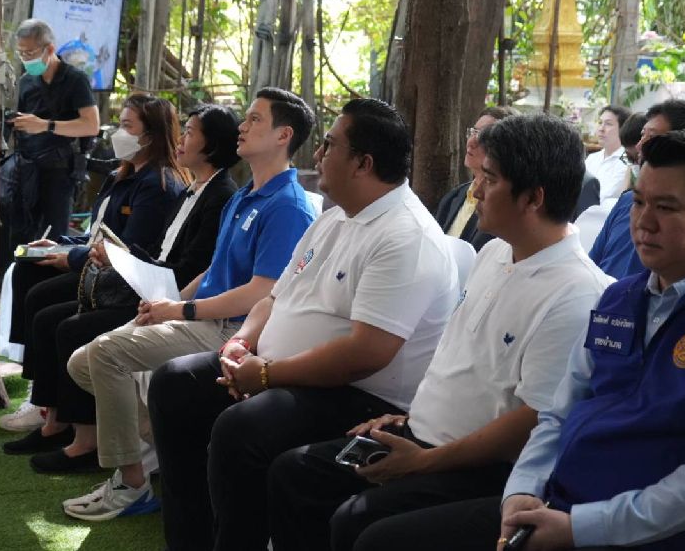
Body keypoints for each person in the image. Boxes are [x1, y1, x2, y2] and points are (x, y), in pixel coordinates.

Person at [345, 132, 685, 551]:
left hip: (641, 536)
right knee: (370, 530)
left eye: (667, 207)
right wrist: (521, 492)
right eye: (639, 202)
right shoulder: (622, 299)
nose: (643, 222)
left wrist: (580, 527)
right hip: (554, 507)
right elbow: (559, 415)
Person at [267, 114, 613, 551]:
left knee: (364, 527)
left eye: (489, 178)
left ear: (533, 198)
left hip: (485, 470)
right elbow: (457, 363)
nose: (475, 190)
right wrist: (408, 420)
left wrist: (422, 462)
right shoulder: (493, 253)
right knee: (296, 473)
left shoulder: (577, 294)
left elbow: (533, 423)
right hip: (422, 435)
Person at [146, 98, 459, 551]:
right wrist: (241, 343)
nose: (317, 155)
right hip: (277, 367)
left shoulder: (405, 236)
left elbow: (365, 354)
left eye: (330, 145)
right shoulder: (333, 218)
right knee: (175, 383)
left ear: (363, 164)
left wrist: (267, 375)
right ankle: (189, 538)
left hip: (358, 395)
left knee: (242, 429)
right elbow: (274, 296)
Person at [60, 87, 316, 518]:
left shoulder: (288, 206)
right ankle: (170, 446)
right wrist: (169, 301)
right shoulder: (243, 196)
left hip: (233, 329)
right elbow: (212, 270)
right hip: (202, 317)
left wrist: (180, 310)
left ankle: (131, 483)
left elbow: (261, 292)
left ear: (283, 135)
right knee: (81, 362)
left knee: (104, 354)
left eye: (255, 119)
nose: (243, 126)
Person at [1, 104, 241, 474]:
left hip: (167, 297)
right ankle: (56, 417)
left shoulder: (216, 194)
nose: (182, 139)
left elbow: (189, 271)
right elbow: (162, 253)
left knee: (67, 324)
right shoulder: (189, 189)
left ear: (211, 145)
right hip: (150, 287)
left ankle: (91, 443)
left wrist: (126, 262)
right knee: (40, 294)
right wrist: (120, 256)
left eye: (191, 132)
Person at [0, 94, 187, 431]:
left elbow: (129, 249)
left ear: (152, 135)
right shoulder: (121, 175)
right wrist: (60, 244)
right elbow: (97, 233)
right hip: (96, 265)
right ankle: (39, 394)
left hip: (118, 280)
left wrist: (70, 258)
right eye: (119, 124)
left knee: (42, 299)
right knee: (28, 268)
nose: (118, 133)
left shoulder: (157, 185)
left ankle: (47, 403)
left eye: (128, 127)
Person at [1, 18, 100, 272]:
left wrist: (45, 125)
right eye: (21, 53)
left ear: (50, 49)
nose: (26, 58)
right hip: (27, 170)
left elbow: (91, 125)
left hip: (59, 172)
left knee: (53, 239)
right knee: (20, 236)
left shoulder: (75, 80)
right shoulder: (25, 82)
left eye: (31, 53)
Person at [589, 99, 685, 279]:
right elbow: (592, 266)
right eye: (642, 135)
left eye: (650, 137)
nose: (639, 147)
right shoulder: (625, 202)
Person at [435, 106, 518, 251]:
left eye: (483, 136)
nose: (471, 142)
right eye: (473, 132)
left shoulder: (509, 207)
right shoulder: (453, 198)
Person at [584, 105, 629, 207]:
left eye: (608, 124)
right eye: (600, 123)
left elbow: (604, 196)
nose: (601, 128)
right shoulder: (592, 158)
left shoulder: (627, 161)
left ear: (622, 129)